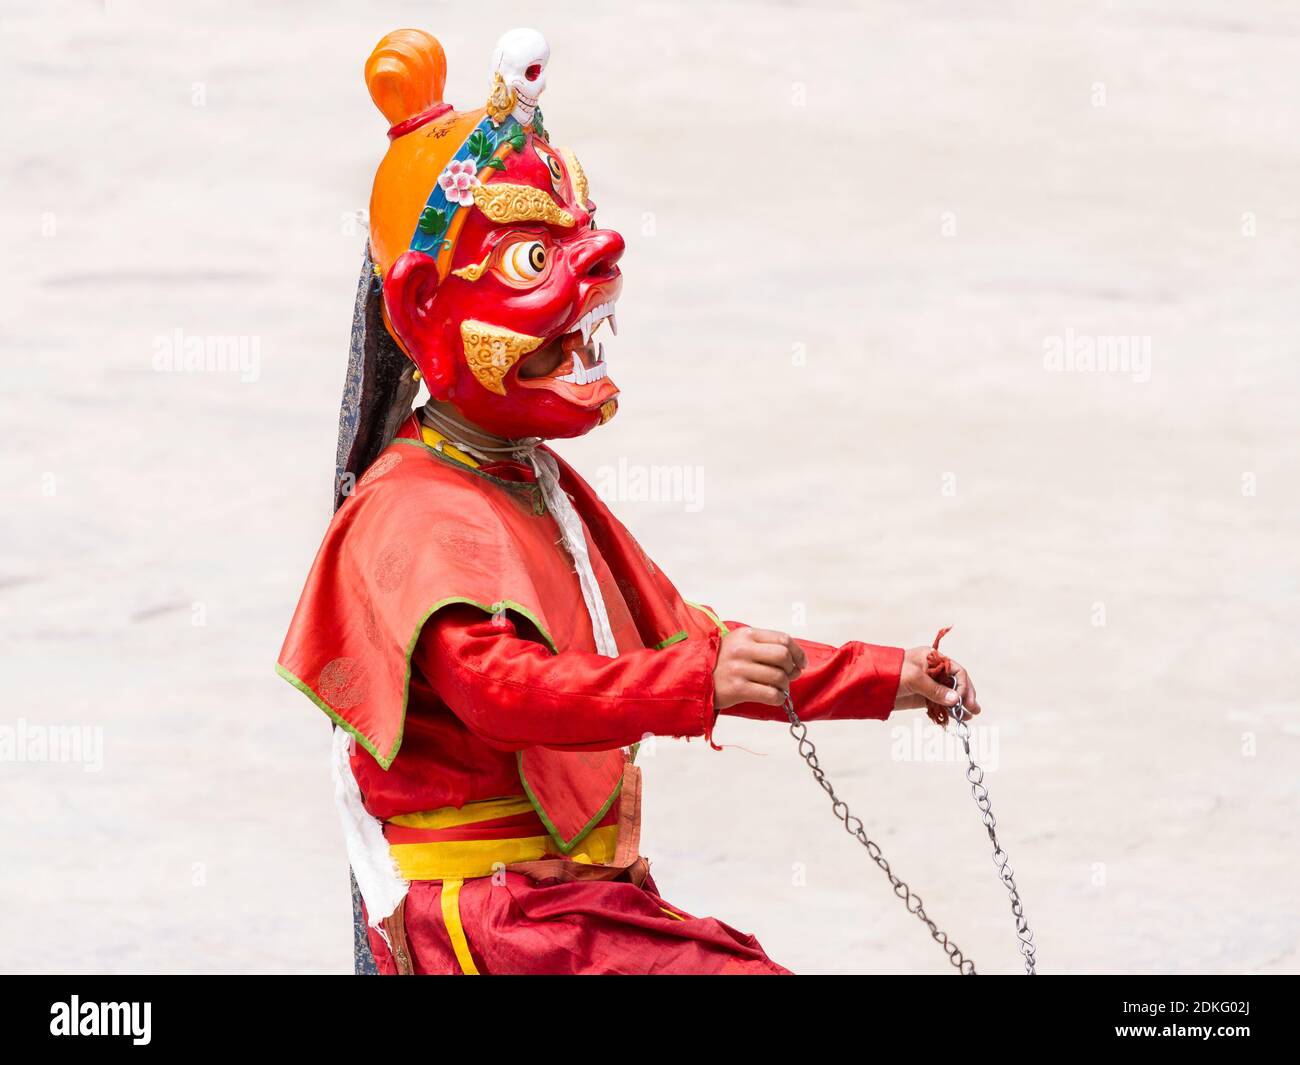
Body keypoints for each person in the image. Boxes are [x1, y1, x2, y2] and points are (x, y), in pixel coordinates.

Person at [278, 25, 981, 975]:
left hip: (565, 900)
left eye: (580, 229)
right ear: (419, 308)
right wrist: (694, 687)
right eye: (535, 259)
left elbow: (691, 642)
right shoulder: (409, 510)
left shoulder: (535, 482)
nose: (592, 257)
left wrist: (889, 678)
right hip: (487, 919)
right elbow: (501, 692)